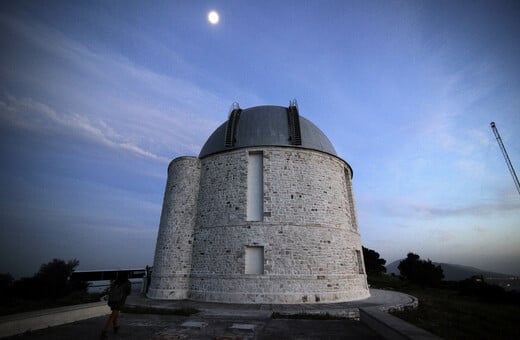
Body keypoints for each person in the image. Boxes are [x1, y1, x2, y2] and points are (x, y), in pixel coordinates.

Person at [101, 272, 132, 338]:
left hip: (112, 300)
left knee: (115, 314)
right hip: (119, 301)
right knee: (112, 315)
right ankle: (104, 331)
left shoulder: (115, 282)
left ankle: (116, 326)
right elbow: (128, 292)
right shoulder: (127, 283)